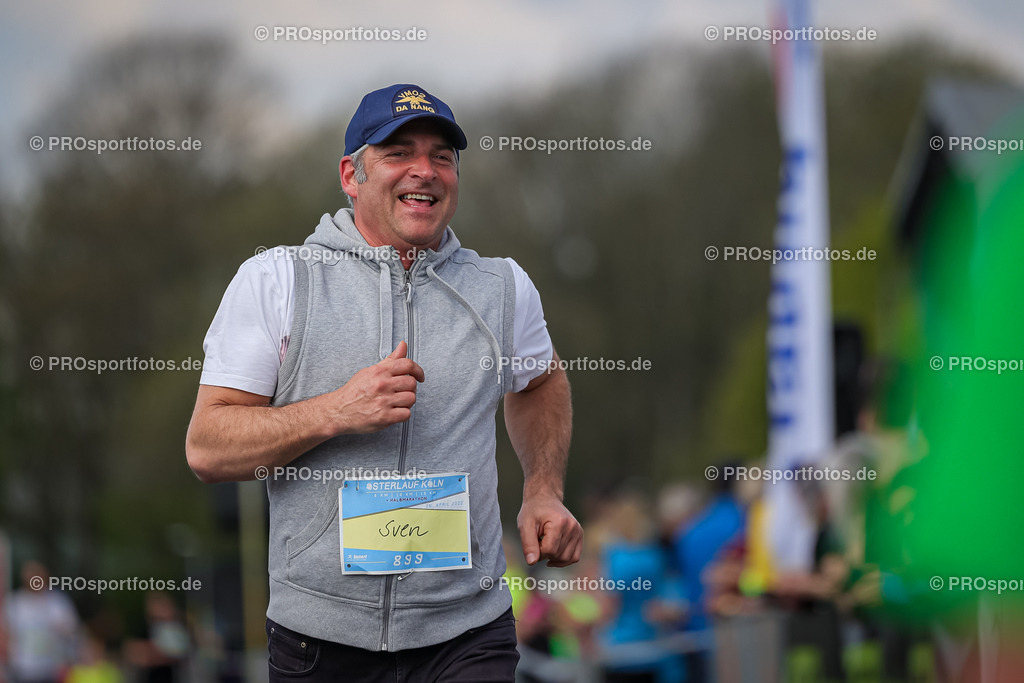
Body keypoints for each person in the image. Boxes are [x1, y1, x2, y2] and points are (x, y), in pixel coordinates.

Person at [185, 83, 583, 682]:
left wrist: (544, 489)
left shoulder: (502, 287)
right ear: (352, 175)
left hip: (467, 632)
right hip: (320, 636)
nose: (424, 171)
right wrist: (337, 410)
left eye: (442, 156)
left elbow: (542, 379)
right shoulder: (279, 280)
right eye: (398, 152)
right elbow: (208, 446)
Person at [3, 560, 81, 683]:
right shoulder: (14, 603)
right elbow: (5, 634)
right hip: (22, 670)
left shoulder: (58, 602)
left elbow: (72, 632)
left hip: (52, 670)